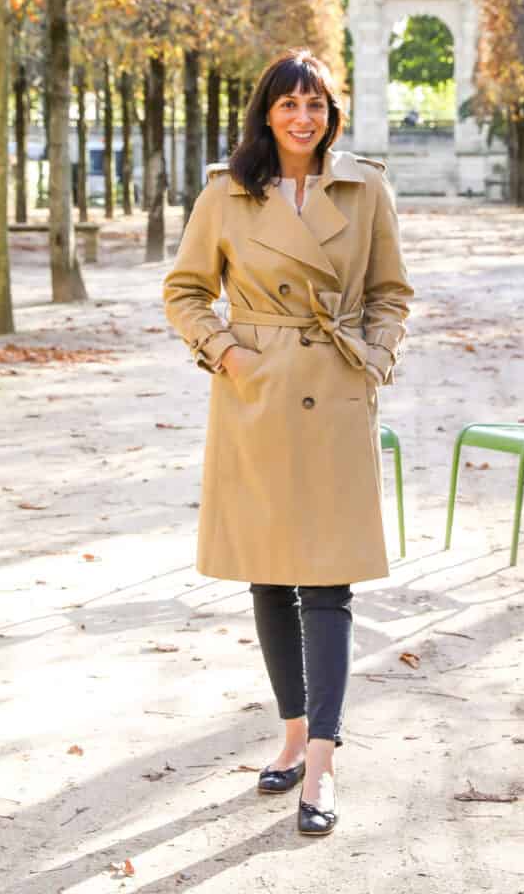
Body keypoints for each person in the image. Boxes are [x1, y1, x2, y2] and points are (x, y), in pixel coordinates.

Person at [162, 50, 412, 837]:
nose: (302, 118)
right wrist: (228, 355)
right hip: (258, 397)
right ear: (266, 113)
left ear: (332, 114)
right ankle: (293, 736)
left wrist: (374, 358)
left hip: (335, 391)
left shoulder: (364, 188)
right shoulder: (227, 191)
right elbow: (184, 289)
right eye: (288, 105)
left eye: (315, 105)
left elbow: (389, 291)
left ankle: (325, 765)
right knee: (269, 578)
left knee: (328, 583)